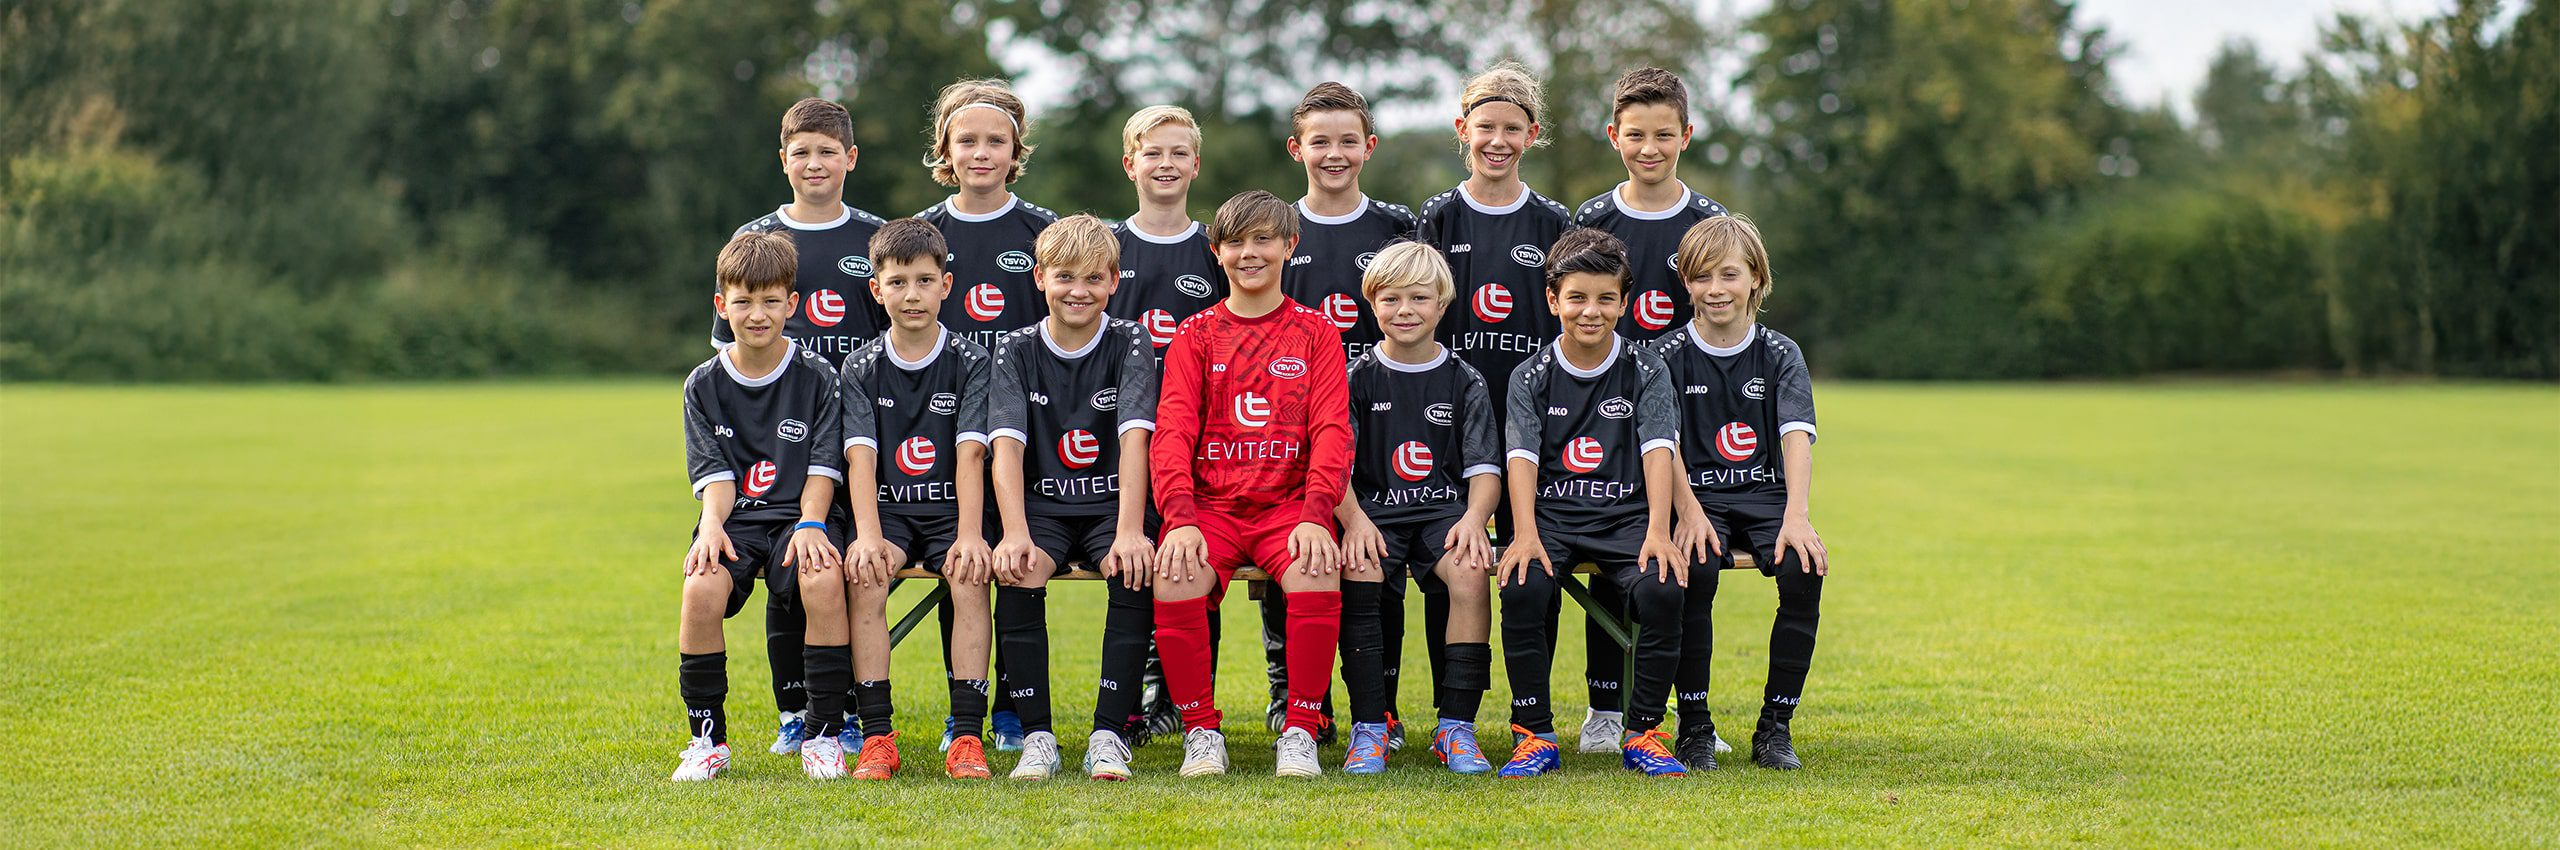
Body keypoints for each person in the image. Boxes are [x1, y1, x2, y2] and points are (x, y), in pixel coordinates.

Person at [706, 98, 889, 758]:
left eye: (827, 151)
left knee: (830, 570)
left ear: (850, 159)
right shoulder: (755, 236)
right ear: (783, 160)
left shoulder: (875, 239)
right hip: (777, 446)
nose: (815, 163)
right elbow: (725, 365)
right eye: (801, 152)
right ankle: (797, 712)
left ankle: (836, 712)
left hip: (862, 439)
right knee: (789, 572)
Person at [1149, 190, 1353, 779]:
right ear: (1216, 252)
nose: (1249, 253)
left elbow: (1332, 432)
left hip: (1288, 507)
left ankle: (1300, 730)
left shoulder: (1316, 334)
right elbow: (1172, 433)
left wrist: (1319, 512)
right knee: (1175, 572)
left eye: (1263, 239)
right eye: (1235, 242)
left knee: (1317, 566)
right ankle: (1200, 734)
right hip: (1210, 506)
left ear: (1290, 245)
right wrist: (1180, 517)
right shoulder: (1196, 334)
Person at [1492, 228, 1691, 779]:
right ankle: (1534, 734)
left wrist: (1658, 529)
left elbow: (1658, 452)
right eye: (1577, 297)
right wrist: (1525, 533)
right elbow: (1522, 459)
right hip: (1551, 519)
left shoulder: (1647, 369)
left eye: (1606, 299)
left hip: (1626, 520)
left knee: (1663, 587)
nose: (1591, 311)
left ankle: (1645, 731)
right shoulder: (1530, 375)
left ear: (1624, 303)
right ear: (1553, 299)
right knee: (1524, 584)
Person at [985, 214, 1161, 780]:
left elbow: (1136, 439)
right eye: (1064, 277)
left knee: (1133, 568)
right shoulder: (1015, 348)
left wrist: (1132, 530)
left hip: (1113, 506)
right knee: (1018, 569)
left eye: (1092, 278)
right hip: (1042, 509)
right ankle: (1037, 735)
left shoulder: (1131, 339)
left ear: (1114, 280)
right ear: (1039, 279)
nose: (1078, 291)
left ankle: (1110, 734)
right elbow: (1005, 452)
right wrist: (1013, 533)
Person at [1653, 214, 1829, 771]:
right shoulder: (1664, 353)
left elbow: (1796, 434)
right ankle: (1695, 725)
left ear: (1755, 277)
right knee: (1695, 568)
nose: (1715, 289)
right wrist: (1687, 511)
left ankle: (1775, 727)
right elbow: (1663, 441)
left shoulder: (1780, 353)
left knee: (1803, 569)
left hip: (1762, 495)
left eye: (1729, 274)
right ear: (1686, 283)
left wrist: (1796, 516)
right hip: (1693, 496)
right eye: (1701, 277)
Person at [671, 231, 848, 781]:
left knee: (820, 581)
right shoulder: (703, 383)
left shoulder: (819, 376)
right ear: (722, 305)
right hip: (738, 520)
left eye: (771, 301)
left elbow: (822, 468)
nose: (757, 314)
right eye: (743, 301)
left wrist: (813, 522)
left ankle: (823, 733)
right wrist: (710, 528)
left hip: (805, 515)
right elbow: (716, 480)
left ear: (791, 305)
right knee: (700, 588)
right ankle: (707, 740)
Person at [1277, 81, 1423, 745]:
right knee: (1294, 559)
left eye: (1346, 141)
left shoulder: (1398, 226)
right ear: (1296, 148)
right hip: (1291, 427)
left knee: (1377, 561)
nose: (1333, 154)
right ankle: (1296, 698)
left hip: (1383, 423)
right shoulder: (1275, 228)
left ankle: (1381, 704)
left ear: (1368, 147)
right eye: (1320, 142)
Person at [914, 77, 1056, 750]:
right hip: (946, 434)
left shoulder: (1044, 230)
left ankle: (1010, 709)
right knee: (962, 564)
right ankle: (963, 706)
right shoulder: (920, 234)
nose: (980, 152)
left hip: (1033, 434)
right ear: (944, 147)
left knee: (1019, 566)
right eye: (966, 140)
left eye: (994, 140)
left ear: (1015, 148)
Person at [834, 218, 1000, 779]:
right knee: (867, 575)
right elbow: (861, 458)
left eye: (925, 281)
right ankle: (878, 737)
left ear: (946, 286)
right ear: (877, 290)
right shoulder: (858, 366)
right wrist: (869, 536)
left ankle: (967, 737)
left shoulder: (973, 360)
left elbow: (972, 455)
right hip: (887, 513)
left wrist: (974, 536)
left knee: (970, 576)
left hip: (956, 510)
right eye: (899, 282)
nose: (912, 294)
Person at [1334, 242, 1502, 775]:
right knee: (1357, 567)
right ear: (1371, 303)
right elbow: (1334, 467)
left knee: (1472, 572)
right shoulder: (1354, 376)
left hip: (1442, 517)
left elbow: (1485, 471)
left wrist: (1475, 520)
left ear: (1442, 304)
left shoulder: (1464, 379)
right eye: (1390, 299)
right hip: (1373, 515)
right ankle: (1370, 727)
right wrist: (1355, 521)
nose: (1404, 310)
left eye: (1418, 298)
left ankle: (1456, 726)